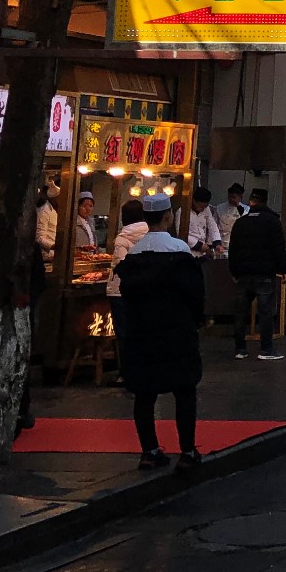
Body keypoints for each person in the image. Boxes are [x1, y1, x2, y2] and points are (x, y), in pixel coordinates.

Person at [117, 192, 206, 469]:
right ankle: (188, 451)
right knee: (185, 391)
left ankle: (149, 450)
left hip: (141, 334)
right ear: (168, 217)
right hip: (176, 332)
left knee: (144, 393)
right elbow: (196, 296)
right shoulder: (180, 255)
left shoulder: (132, 258)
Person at [226, 187, 286, 360]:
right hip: (264, 274)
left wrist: (234, 271)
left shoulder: (241, 222)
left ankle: (240, 349)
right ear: (265, 201)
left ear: (251, 202)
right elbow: (278, 248)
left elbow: (233, 249)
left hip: (243, 274)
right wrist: (283, 269)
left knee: (240, 312)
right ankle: (266, 349)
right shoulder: (272, 221)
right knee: (266, 312)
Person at [107, 198, 147, 342]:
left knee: (123, 333)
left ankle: (126, 362)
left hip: (120, 291)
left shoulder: (122, 238)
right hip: (142, 289)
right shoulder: (150, 235)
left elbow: (120, 266)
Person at [186, 188, 224, 260]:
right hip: (189, 250)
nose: (203, 209)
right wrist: (200, 246)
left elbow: (212, 225)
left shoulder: (206, 209)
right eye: (201, 206)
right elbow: (182, 232)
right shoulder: (183, 211)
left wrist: (217, 243)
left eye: (205, 207)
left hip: (203, 252)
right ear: (194, 201)